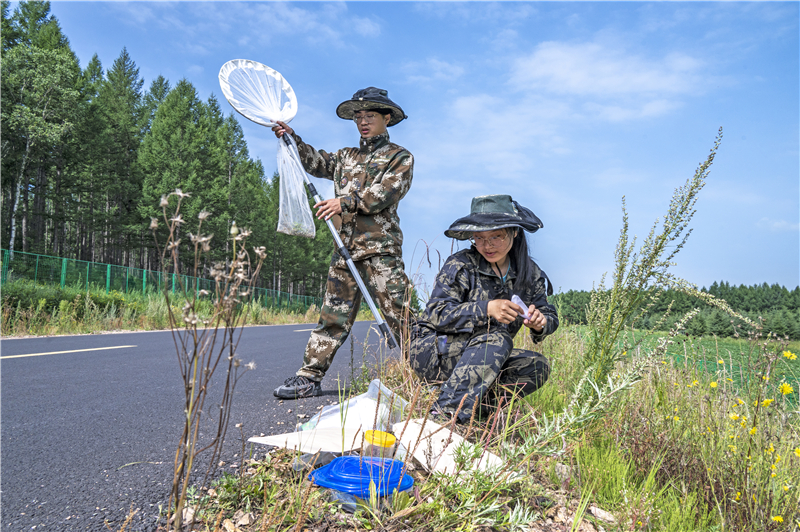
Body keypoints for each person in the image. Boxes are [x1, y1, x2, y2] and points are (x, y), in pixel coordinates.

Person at [271, 87, 414, 399]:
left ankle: (427, 378)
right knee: (332, 317)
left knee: (399, 314)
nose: (363, 121)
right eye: (358, 117)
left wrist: (344, 202)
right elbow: (314, 161)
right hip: (344, 251)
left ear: (386, 118)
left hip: (379, 252)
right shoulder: (344, 157)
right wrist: (292, 138)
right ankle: (309, 377)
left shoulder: (399, 157)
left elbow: (385, 193)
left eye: (370, 116)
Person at [410, 194, 557, 423]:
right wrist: (486, 308)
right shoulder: (460, 265)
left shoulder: (529, 272)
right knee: (498, 339)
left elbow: (547, 312)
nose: (487, 245)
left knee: (536, 366)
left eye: (496, 236)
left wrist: (541, 323)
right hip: (435, 352)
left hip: (487, 355)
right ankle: (445, 417)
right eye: (479, 238)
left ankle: (479, 415)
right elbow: (437, 313)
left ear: (514, 233)